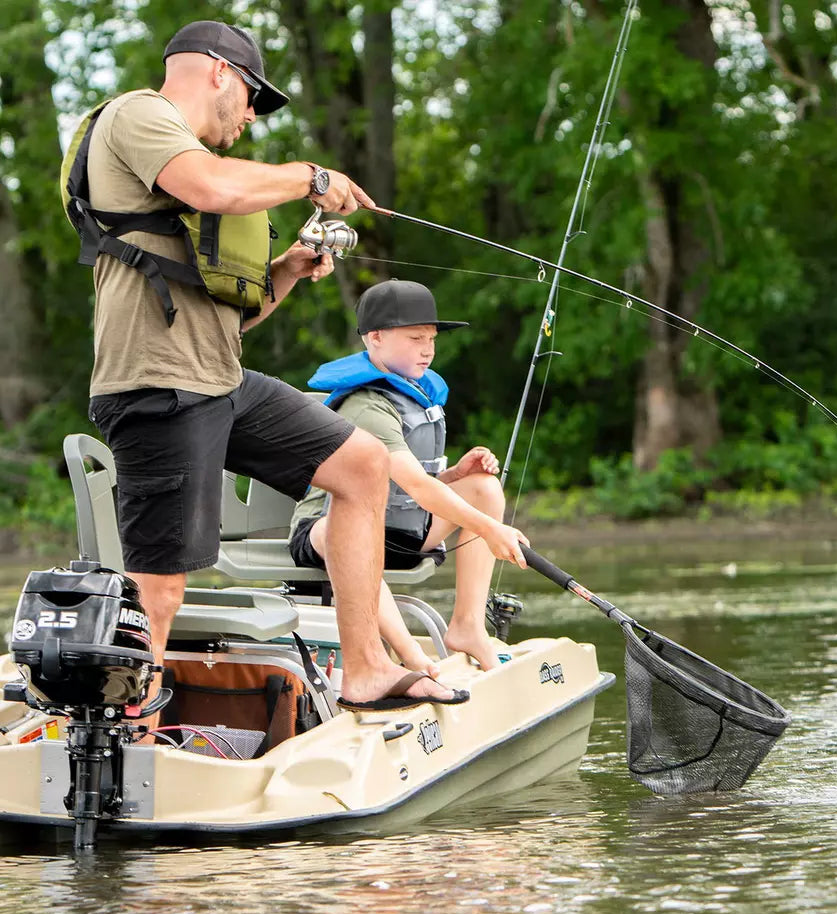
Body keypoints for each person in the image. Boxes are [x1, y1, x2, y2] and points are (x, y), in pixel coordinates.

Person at [75, 21, 468, 714]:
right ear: (219, 73)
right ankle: (129, 733)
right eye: (254, 95)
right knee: (160, 589)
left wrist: (285, 271)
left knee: (363, 466)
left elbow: (234, 318)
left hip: (221, 381)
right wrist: (309, 178)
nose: (252, 113)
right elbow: (212, 188)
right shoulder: (140, 116)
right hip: (156, 387)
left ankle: (367, 670)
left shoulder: (184, 158)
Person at [288, 279, 529, 677]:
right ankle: (409, 659)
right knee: (347, 530)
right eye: (416, 337)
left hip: (399, 532)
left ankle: (467, 628)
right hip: (330, 534)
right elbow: (417, 486)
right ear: (376, 337)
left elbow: (406, 486)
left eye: (432, 338)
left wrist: (454, 476)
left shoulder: (416, 393)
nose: (428, 348)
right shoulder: (367, 405)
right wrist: (490, 530)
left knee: (483, 487)